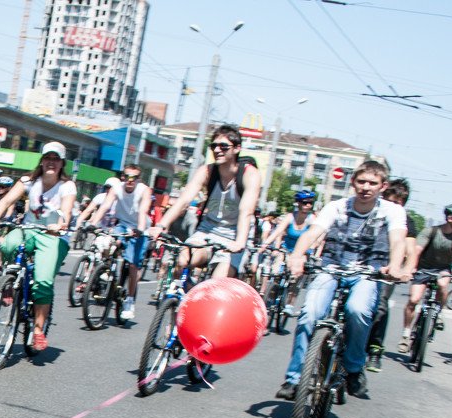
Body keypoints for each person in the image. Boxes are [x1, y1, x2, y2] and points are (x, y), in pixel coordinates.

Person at [275, 160, 408, 401]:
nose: (366, 187)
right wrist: (296, 256)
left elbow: (398, 240)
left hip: (368, 274)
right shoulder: (336, 206)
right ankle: (294, 379)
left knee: (358, 310)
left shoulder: (392, 210)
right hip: (331, 269)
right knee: (309, 314)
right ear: (352, 182)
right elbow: (313, 232)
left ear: (382, 186)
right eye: (361, 181)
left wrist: (396, 266)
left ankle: (354, 369)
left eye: (372, 183)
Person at [0, 141, 76, 349]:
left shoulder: (67, 186)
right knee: (8, 243)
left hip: (53, 236)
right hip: (30, 230)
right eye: (47, 158)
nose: (51, 163)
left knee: (42, 282)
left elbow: (66, 210)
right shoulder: (28, 180)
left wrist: (60, 224)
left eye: (55, 159)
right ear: (42, 161)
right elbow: (7, 200)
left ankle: (38, 329)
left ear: (62, 163)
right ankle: (10, 282)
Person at [147, 125, 262, 282]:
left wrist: (240, 242)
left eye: (223, 146)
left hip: (235, 236)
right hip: (207, 232)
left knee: (217, 281)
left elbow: (246, 211)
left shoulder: (250, 174)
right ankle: (175, 298)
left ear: (236, 148)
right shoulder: (206, 171)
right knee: (182, 261)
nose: (217, 150)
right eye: (213, 146)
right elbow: (184, 200)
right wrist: (161, 226)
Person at [397, 201, 452, 354]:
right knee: (414, 300)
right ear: (450, 218)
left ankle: (439, 314)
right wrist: (409, 269)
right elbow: (417, 250)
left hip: (443, 269)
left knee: (443, 285)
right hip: (424, 268)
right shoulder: (430, 231)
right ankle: (405, 335)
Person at [365, 179, 418, 371]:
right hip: (363, 264)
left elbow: (410, 249)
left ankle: (374, 349)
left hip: (388, 269)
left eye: (400, 203)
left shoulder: (406, 221)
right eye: (392, 201)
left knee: (380, 305)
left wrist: (408, 269)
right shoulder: (371, 211)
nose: (395, 206)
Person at [87, 163, 151, 320]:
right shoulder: (117, 188)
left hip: (139, 227)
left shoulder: (144, 190)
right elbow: (105, 206)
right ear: (122, 177)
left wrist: (140, 230)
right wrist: (93, 223)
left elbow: (143, 211)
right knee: (108, 243)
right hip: (122, 224)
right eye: (127, 176)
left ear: (138, 178)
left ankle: (129, 301)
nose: (130, 180)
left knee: (132, 264)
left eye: (134, 177)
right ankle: (106, 270)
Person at [262, 188, 318, 317]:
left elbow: (315, 236)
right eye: (304, 202)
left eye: (310, 203)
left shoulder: (312, 218)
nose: (308, 205)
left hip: (303, 253)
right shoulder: (290, 216)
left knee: (295, 279)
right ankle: (270, 299)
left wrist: (312, 248)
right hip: (286, 249)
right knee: (276, 273)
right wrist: (266, 244)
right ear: (298, 203)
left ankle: (289, 305)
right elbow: (278, 231)